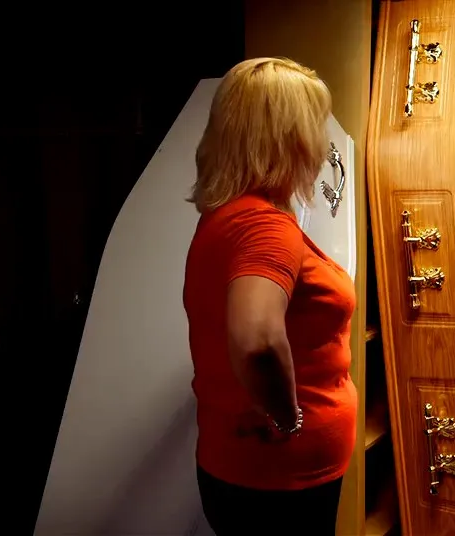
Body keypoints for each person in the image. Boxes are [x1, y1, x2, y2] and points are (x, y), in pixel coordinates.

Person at [183, 57, 356, 535]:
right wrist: (287, 420)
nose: (321, 142)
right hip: (280, 479)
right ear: (290, 136)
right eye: (315, 125)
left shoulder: (227, 215)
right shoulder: (265, 227)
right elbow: (257, 340)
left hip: (238, 467)